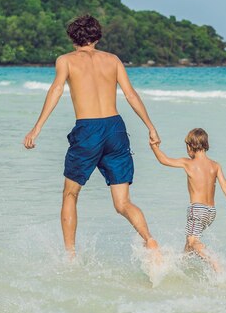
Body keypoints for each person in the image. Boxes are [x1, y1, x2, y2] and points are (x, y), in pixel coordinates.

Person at [23, 14, 161, 259]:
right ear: (97, 36)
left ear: (72, 38)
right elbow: (130, 95)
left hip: (88, 130)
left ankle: (70, 256)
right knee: (123, 203)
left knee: (70, 194)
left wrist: (37, 127)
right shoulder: (113, 60)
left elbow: (56, 90)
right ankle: (150, 241)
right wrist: (150, 126)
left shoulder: (65, 60)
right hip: (116, 128)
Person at [150, 128, 226, 271]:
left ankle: (214, 261)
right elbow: (224, 184)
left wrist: (153, 146)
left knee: (193, 241)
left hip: (197, 210)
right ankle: (181, 266)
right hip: (210, 212)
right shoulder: (215, 165)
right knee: (189, 242)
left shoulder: (188, 163)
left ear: (190, 146)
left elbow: (164, 160)